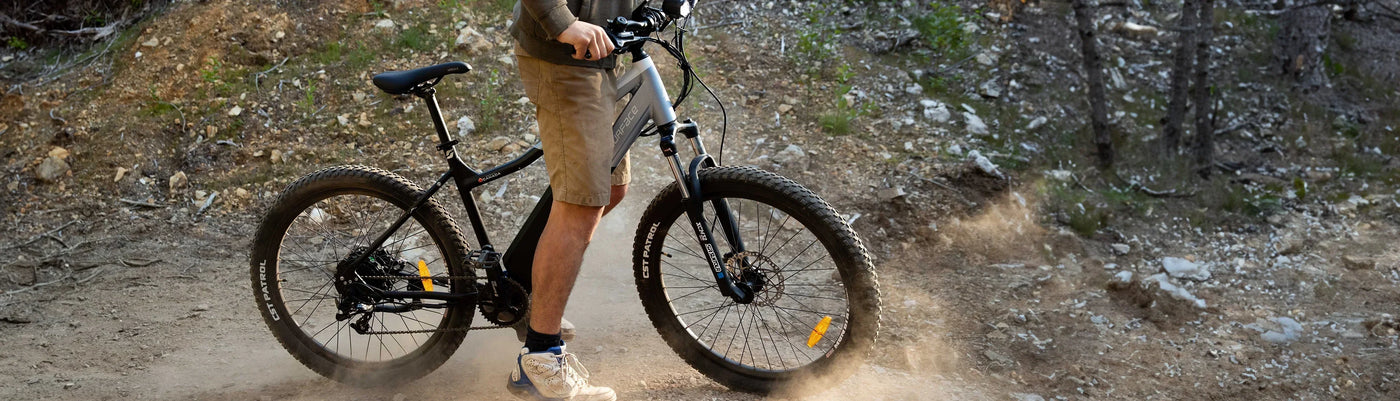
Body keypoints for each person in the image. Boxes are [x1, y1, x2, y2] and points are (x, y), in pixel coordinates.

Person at [506, 0, 636, 400]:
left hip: (602, 52)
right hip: (564, 55)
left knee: (610, 188)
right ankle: (540, 358)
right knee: (580, 205)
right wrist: (562, 23)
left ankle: (520, 289)